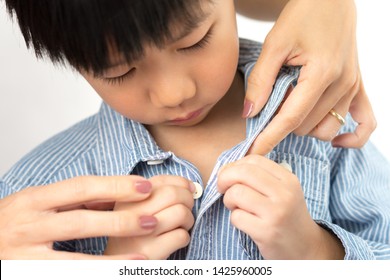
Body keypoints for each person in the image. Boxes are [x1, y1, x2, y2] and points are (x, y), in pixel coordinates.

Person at [0, 0, 386, 260]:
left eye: (194, 42)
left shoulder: (318, 119)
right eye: (119, 71)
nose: (174, 94)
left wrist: (316, 252)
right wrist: (116, 265)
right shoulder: (35, 195)